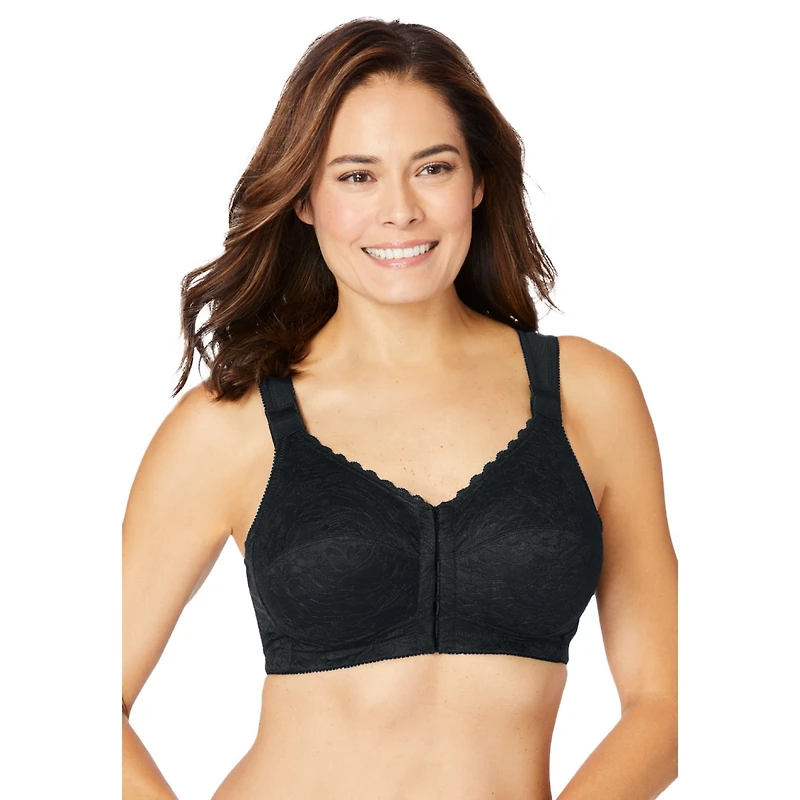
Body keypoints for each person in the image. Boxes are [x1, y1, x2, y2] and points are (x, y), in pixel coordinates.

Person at [122, 17, 678, 800]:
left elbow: (667, 702)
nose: (400, 211)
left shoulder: (589, 394)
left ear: (478, 181)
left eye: (433, 168)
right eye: (357, 177)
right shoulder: (230, 423)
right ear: (305, 199)